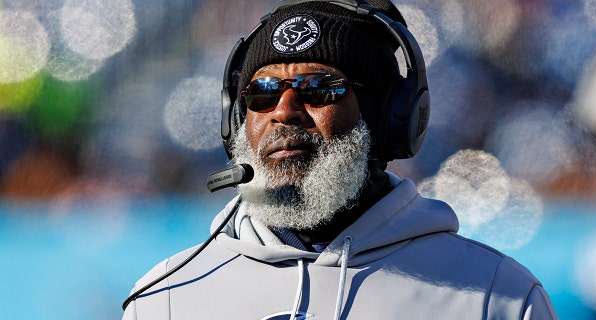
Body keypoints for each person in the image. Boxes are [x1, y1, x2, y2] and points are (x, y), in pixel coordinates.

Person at [122, 0, 559, 319]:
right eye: (261, 93)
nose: (283, 110)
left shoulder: (497, 297)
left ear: (389, 118)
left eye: (318, 88)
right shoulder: (165, 299)